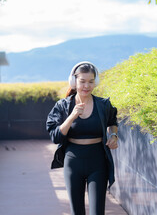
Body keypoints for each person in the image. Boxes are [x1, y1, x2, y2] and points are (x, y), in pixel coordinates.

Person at [46, 61, 118, 215]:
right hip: (73, 162)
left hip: (98, 161)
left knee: (97, 212)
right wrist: (72, 116)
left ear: (95, 82)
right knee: (77, 212)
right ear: (74, 82)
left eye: (91, 82)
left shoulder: (103, 105)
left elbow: (112, 122)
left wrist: (113, 135)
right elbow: (56, 137)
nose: (87, 86)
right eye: (82, 81)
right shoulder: (63, 106)